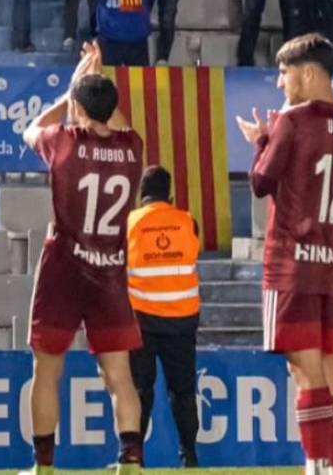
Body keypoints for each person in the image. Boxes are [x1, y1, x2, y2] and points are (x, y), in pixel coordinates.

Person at [236, 33, 333, 475]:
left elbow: (260, 182)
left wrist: (262, 141)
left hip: (292, 262)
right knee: (332, 371)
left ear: (308, 73)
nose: (280, 83)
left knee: (305, 370)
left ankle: (316, 464)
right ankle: (331, 465)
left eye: (283, 72)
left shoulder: (292, 121)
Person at [21, 41, 144, 475]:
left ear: (78, 107)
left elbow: (31, 128)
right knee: (119, 375)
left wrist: (72, 89)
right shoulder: (133, 149)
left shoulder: (64, 142)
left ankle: (44, 466)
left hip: (65, 267)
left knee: (47, 369)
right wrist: (96, 84)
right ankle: (131, 460)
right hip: (110, 270)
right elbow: (121, 127)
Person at [126, 164, 201, 468]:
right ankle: (190, 457)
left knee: (140, 392)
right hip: (182, 321)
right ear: (169, 194)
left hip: (142, 320)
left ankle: (133, 457)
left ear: (141, 193)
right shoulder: (188, 222)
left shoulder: (129, 223)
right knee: (183, 392)